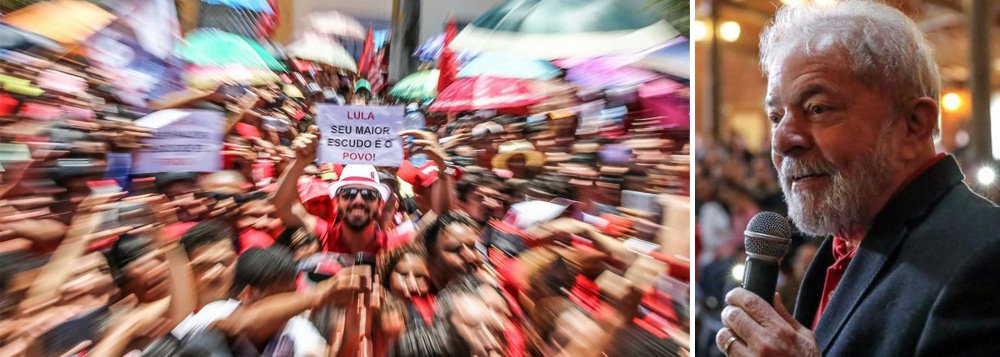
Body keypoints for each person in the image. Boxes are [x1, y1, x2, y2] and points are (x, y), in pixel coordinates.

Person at [716, 1, 1000, 356]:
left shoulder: (986, 256)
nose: (783, 141)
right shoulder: (844, 242)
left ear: (913, 125)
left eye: (817, 108)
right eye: (776, 117)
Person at [272, 127, 402, 256]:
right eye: (348, 194)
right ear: (337, 202)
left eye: (368, 195)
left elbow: (421, 231)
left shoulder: (395, 245)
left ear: (380, 205)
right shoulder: (323, 235)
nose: (358, 200)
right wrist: (299, 162)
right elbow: (282, 205)